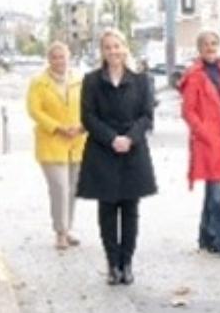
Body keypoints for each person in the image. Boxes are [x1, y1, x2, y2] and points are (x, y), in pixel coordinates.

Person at [77, 29, 157, 285]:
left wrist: (129, 138)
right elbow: (88, 117)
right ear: (102, 51)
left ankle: (127, 263)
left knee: (130, 209)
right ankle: (112, 264)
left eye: (117, 46)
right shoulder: (91, 81)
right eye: (108, 47)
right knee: (108, 209)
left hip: (133, 152)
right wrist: (112, 138)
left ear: (125, 48)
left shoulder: (142, 80)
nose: (113, 51)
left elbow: (146, 117)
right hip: (103, 150)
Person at [180, 31, 220, 260]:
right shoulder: (194, 75)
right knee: (217, 192)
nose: (210, 47)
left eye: (214, 43)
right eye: (206, 44)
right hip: (208, 141)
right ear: (199, 48)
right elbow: (188, 111)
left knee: (212, 188)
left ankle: (206, 237)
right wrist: (204, 132)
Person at [26, 41, 86, 250]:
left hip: (76, 142)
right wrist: (57, 127)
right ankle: (60, 231)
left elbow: (89, 105)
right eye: (55, 57)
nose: (59, 61)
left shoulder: (79, 80)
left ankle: (68, 228)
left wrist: (82, 126)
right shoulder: (38, 83)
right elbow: (34, 110)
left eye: (63, 57)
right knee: (59, 187)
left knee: (73, 188)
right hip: (51, 142)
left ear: (69, 58)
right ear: (49, 60)